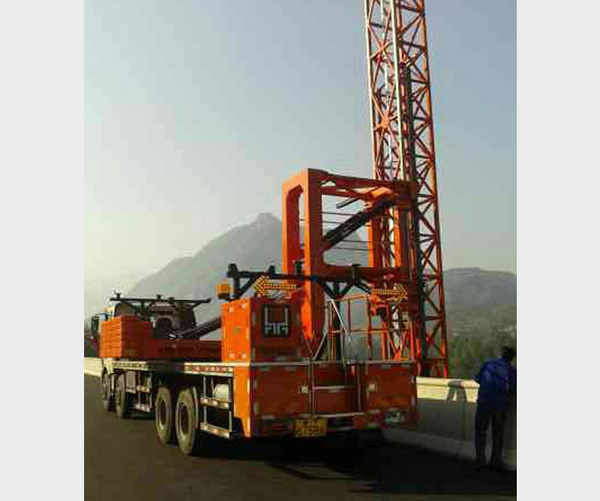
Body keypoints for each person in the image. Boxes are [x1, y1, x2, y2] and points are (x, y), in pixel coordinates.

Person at [474, 346, 516, 470]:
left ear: (500, 354)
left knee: (480, 432)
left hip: (484, 403)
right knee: (498, 434)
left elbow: (477, 379)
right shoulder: (512, 371)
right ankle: (495, 461)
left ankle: (480, 460)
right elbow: (513, 388)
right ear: (512, 358)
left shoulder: (488, 364)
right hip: (500, 406)